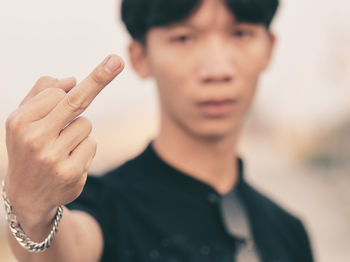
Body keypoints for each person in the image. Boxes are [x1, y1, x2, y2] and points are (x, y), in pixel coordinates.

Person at [2, 0, 314, 261]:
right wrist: (33, 209)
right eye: (184, 38)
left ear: (269, 48)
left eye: (241, 34)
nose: (217, 69)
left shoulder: (288, 231)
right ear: (140, 57)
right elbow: (66, 247)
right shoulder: (104, 207)